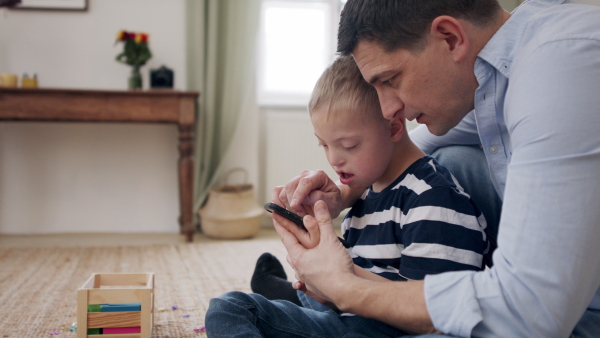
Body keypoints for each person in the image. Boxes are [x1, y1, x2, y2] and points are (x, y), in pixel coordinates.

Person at [272, 0, 600, 337]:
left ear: (450, 38)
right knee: (447, 160)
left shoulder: (559, 71)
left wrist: (343, 288)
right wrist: (338, 195)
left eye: (389, 79)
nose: (388, 109)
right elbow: (410, 152)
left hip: (576, 313)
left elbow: (530, 314)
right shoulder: (501, 61)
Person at [205, 55, 490, 337]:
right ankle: (290, 295)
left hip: (378, 328)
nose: (334, 160)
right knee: (228, 307)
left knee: (243, 312)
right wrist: (320, 276)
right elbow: (362, 271)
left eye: (348, 145)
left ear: (394, 127)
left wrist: (334, 279)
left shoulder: (433, 201)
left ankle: (285, 296)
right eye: (324, 145)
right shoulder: (368, 188)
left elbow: (433, 315)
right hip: (343, 316)